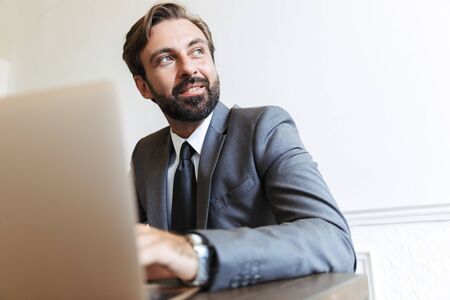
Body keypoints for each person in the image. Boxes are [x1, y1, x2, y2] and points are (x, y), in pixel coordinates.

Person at [122, 2, 356, 292]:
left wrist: (192, 252)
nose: (188, 68)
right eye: (166, 59)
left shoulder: (264, 128)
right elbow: (107, 236)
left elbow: (333, 241)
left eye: (197, 51)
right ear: (143, 86)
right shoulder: (146, 154)